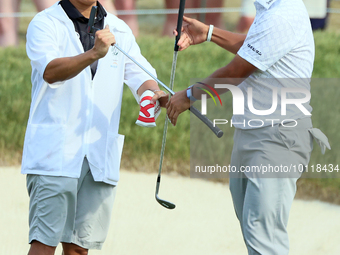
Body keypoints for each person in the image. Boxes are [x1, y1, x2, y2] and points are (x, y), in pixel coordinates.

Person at [166, 0, 330, 254]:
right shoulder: (270, 9)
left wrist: (189, 96)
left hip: (278, 137)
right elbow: (251, 47)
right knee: (252, 229)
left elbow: (238, 69)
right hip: (254, 134)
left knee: (263, 238)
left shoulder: (284, 13)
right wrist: (209, 33)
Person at [23, 0, 167, 254]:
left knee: (79, 249)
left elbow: (141, 76)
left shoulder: (119, 29)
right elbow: (50, 71)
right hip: (55, 155)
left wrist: (155, 93)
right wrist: (93, 54)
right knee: (44, 245)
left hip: (98, 156)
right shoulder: (45, 23)